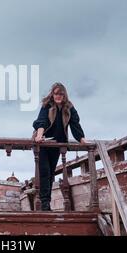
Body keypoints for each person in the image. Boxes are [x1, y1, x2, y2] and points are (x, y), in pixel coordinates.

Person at [32, 82, 88, 211]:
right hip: (43, 143)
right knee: (44, 171)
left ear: (64, 95)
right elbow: (42, 121)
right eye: (56, 93)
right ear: (53, 94)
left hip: (57, 144)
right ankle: (44, 204)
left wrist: (82, 139)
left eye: (61, 94)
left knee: (51, 173)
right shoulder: (47, 105)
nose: (58, 96)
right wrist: (39, 136)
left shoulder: (69, 108)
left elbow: (75, 124)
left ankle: (47, 202)